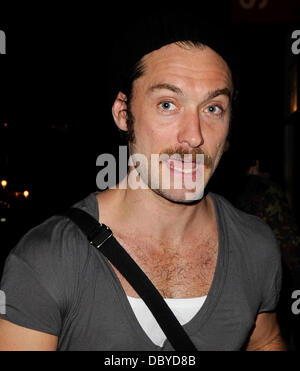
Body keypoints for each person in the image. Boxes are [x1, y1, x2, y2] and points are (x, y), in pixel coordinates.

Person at [0, 14, 286, 350]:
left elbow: (266, 340)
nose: (193, 136)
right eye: (167, 104)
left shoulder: (255, 247)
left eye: (212, 108)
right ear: (123, 113)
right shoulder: (48, 260)